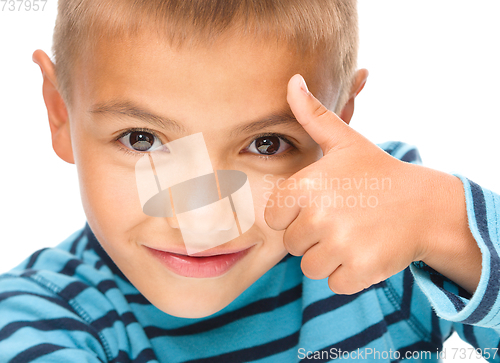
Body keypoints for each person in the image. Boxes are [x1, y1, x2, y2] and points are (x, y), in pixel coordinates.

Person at [0, 0, 499, 362]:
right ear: (59, 112)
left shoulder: (382, 233)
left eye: (266, 144)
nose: (203, 217)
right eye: (143, 139)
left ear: (340, 118)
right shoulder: (39, 321)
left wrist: (447, 224)